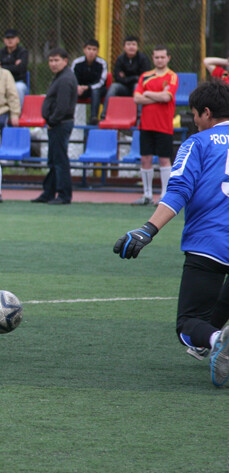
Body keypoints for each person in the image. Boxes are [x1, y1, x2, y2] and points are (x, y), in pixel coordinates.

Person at [113, 80, 229, 387]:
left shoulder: (197, 143)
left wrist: (147, 230)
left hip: (210, 242)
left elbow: (178, 190)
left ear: (207, 113)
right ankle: (212, 338)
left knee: (188, 324)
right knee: (219, 307)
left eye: (195, 114)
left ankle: (216, 340)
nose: (194, 121)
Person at [131, 45, 178, 206]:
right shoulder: (145, 76)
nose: (159, 60)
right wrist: (157, 96)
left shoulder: (172, 76)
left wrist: (148, 93)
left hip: (164, 125)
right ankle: (147, 195)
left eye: (162, 57)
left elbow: (167, 97)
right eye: (157, 57)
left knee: (164, 159)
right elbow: (137, 98)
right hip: (146, 125)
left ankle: (164, 196)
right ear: (152, 58)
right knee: (145, 159)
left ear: (168, 58)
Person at [32, 47, 78, 205]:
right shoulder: (61, 77)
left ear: (65, 61)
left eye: (56, 60)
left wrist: (52, 121)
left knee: (59, 160)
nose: (53, 63)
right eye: (51, 60)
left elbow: (62, 106)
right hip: (58, 123)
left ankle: (64, 195)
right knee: (54, 160)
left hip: (60, 124)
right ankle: (49, 192)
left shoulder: (65, 79)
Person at [100, 35, 151, 120]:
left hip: (138, 88)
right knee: (113, 86)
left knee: (136, 86)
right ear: (124, 47)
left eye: (134, 44)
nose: (131, 47)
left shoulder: (143, 59)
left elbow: (144, 78)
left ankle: (139, 117)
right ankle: (104, 116)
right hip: (124, 88)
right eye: (128, 44)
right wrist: (135, 78)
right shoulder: (120, 59)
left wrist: (126, 78)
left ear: (137, 47)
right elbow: (117, 78)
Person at [71, 39, 108, 124]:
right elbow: (71, 78)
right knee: (68, 90)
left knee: (95, 91)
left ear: (97, 51)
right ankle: (66, 117)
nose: (91, 52)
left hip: (96, 90)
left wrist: (88, 87)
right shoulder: (76, 62)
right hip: (79, 89)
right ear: (84, 50)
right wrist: (77, 87)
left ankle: (93, 118)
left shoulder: (102, 63)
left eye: (94, 49)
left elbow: (101, 81)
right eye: (89, 49)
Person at [0, 28, 29, 106]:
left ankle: (18, 112)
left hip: (18, 81)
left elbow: (21, 69)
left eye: (12, 38)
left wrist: (3, 66)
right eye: (7, 38)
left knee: (18, 88)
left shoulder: (23, 52)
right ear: (4, 40)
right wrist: (14, 66)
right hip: (3, 81)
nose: (10, 40)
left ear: (18, 40)